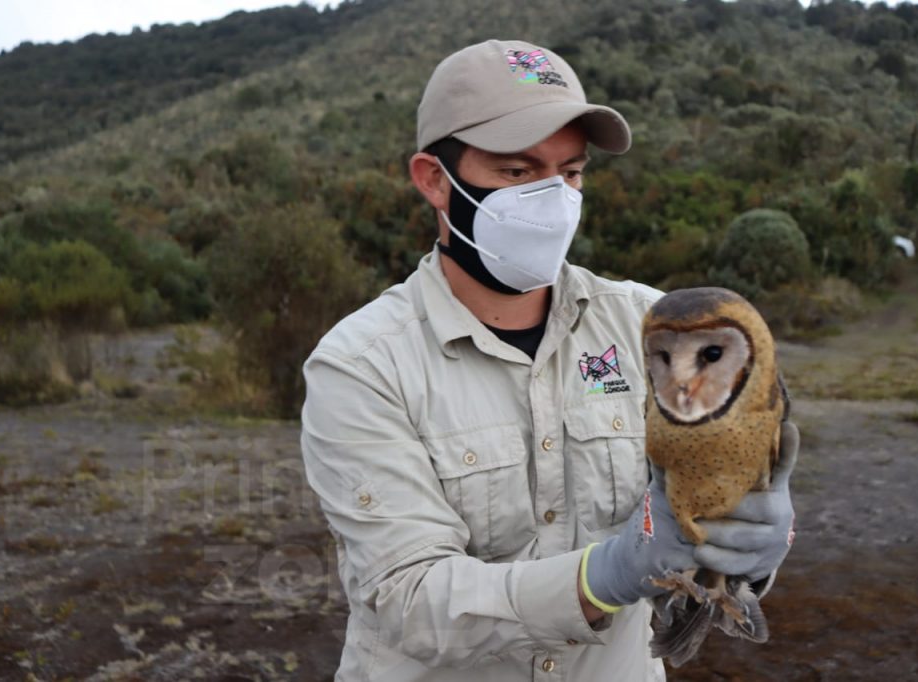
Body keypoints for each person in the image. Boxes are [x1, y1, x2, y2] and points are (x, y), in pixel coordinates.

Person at [301, 39, 796, 681]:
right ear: (432, 179)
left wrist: (753, 545)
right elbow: (409, 598)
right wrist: (608, 574)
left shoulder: (654, 329)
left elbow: (711, 507)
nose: (553, 197)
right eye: (517, 172)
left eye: (571, 172)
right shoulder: (361, 365)